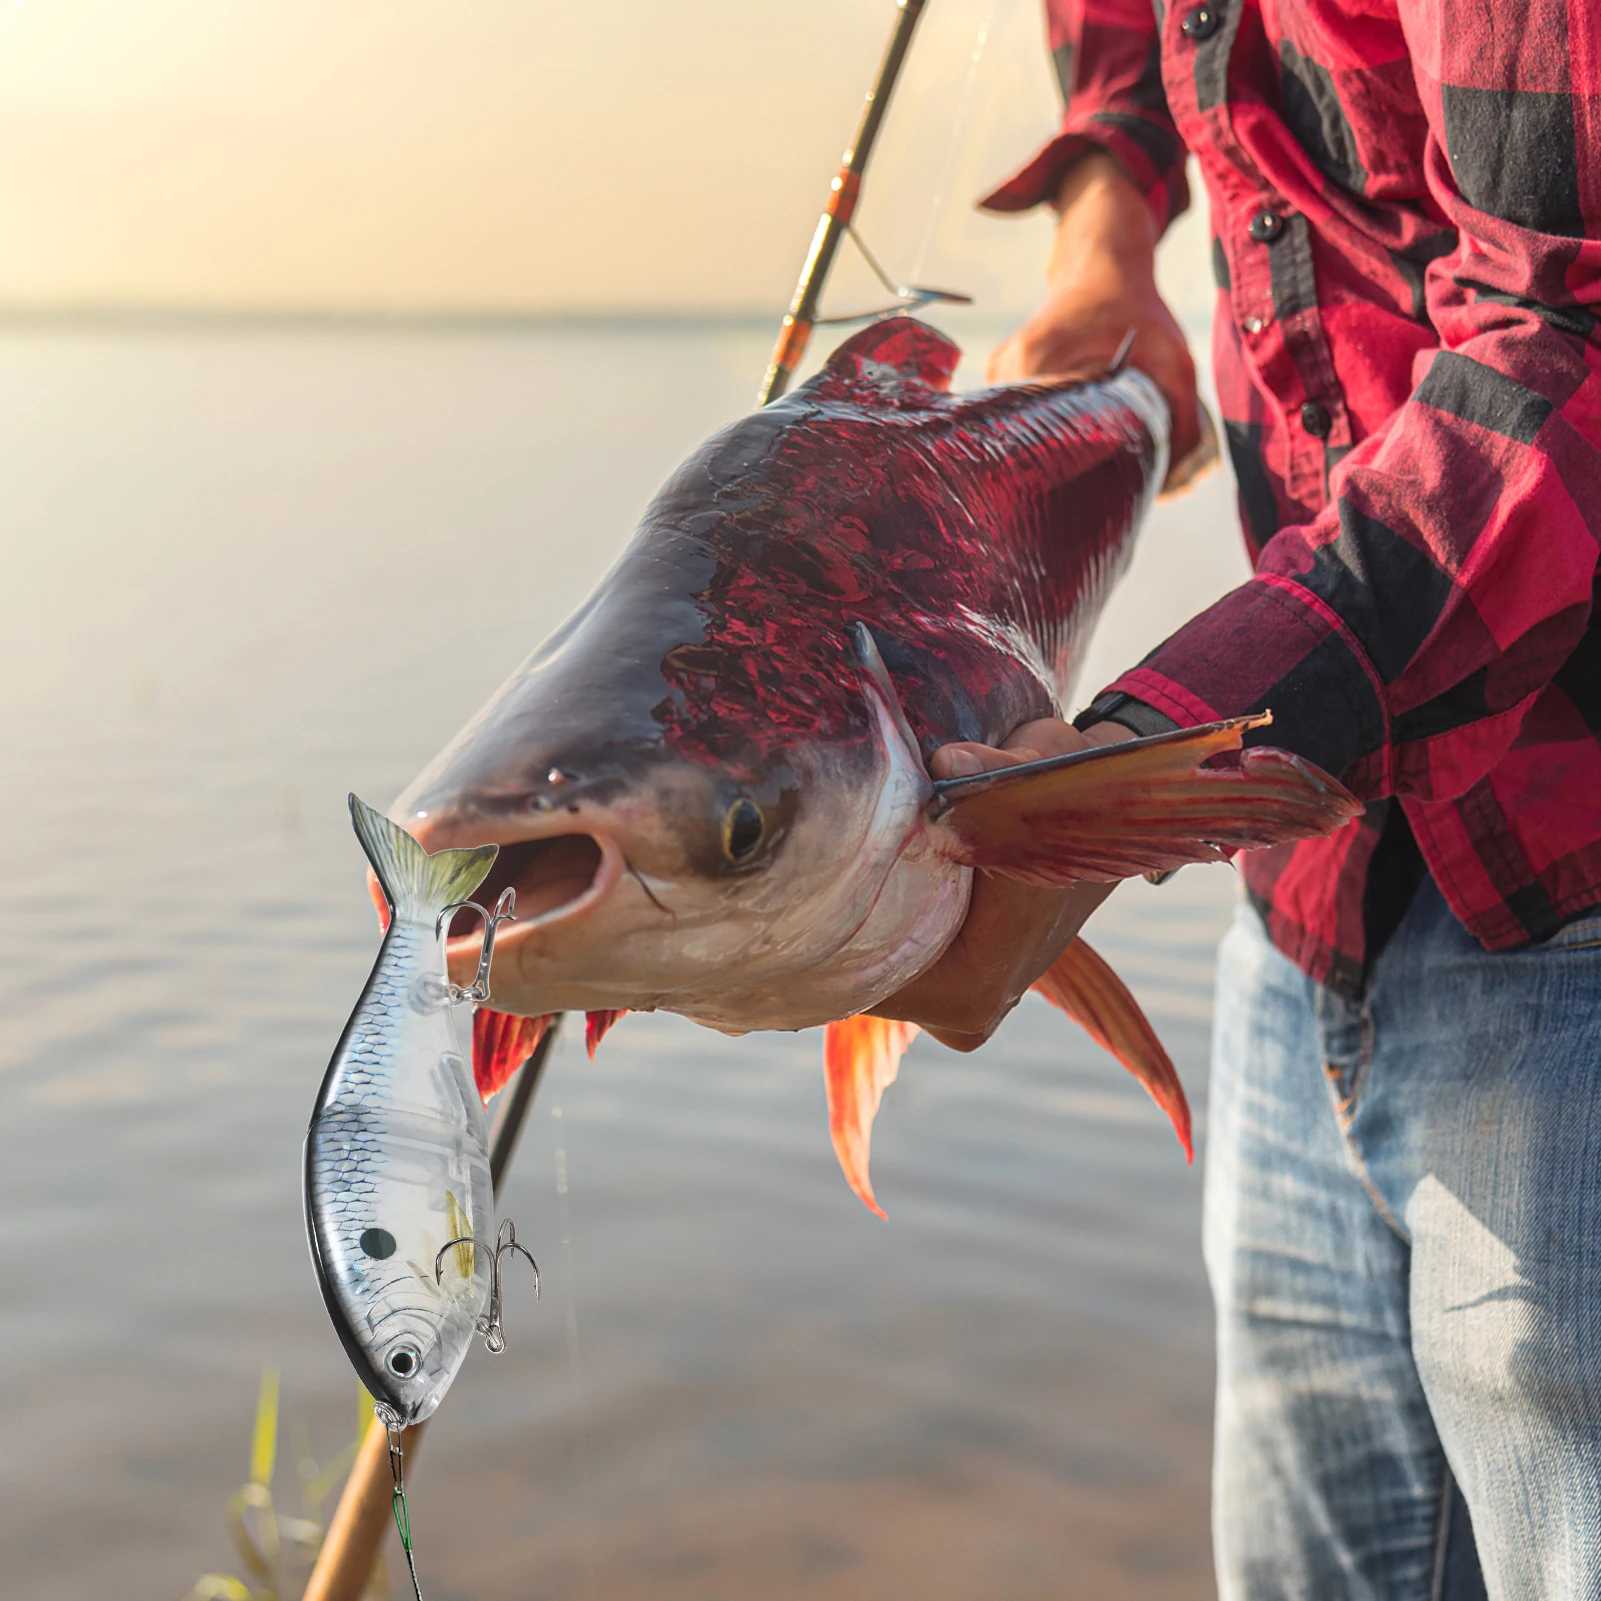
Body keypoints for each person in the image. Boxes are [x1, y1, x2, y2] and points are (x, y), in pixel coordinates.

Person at [874, 2, 1601, 1595]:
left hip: (1568, 888)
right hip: (1300, 906)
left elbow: (1579, 338)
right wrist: (1105, 241)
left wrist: (1146, 765)